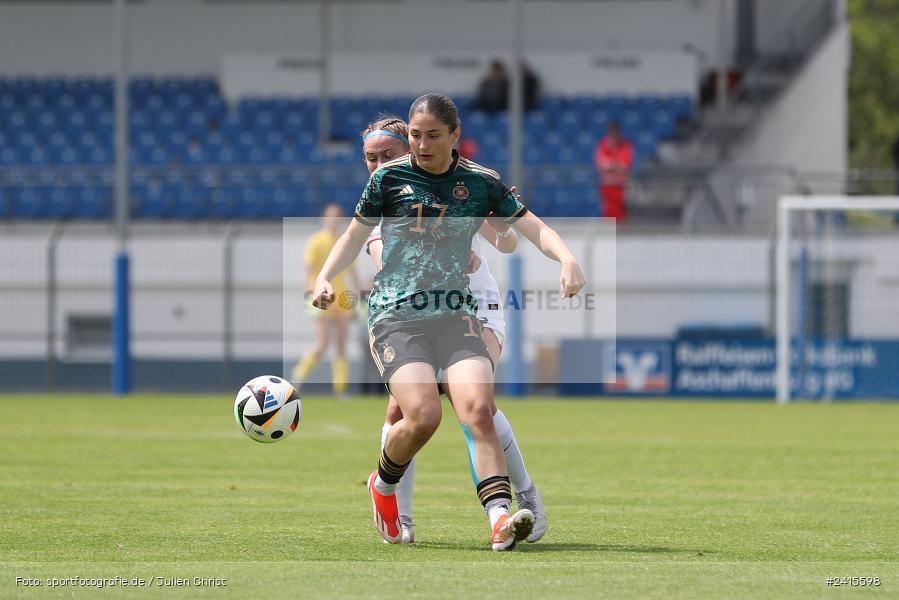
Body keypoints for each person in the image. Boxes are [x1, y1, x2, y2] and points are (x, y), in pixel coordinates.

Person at [311, 93, 585, 551]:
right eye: (414, 137)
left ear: (455, 137)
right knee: (420, 415)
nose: (419, 146)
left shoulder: (474, 182)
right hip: (400, 316)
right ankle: (388, 492)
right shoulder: (388, 186)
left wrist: (565, 256)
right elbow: (362, 240)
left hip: (467, 309)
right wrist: (324, 277)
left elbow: (520, 234)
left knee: (476, 407)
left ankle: (502, 516)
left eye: (428, 136)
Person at [360, 116, 548, 545]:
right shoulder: (379, 203)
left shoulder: (452, 185)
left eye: (388, 156)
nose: (378, 166)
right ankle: (399, 515)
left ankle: (525, 498)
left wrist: (501, 226)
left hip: (476, 308)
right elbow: (382, 258)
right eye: (371, 159)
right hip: (413, 310)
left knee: (477, 407)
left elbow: (506, 242)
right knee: (402, 414)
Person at [291, 203, 359, 396]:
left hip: (342, 297)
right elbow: (309, 270)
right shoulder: (316, 241)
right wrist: (309, 294)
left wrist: (360, 294)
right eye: (330, 216)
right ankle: (299, 375)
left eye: (337, 217)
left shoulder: (344, 241)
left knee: (342, 344)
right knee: (323, 343)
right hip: (322, 296)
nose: (334, 220)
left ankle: (340, 389)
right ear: (324, 218)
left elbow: (352, 272)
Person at [594, 121, 634, 221]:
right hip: (606, 185)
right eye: (611, 133)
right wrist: (614, 164)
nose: (613, 136)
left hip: (620, 186)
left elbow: (624, 166)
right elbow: (601, 164)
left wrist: (611, 164)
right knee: (608, 214)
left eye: (615, 133)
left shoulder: (625, 146)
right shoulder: (603, 145)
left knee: (620, 215)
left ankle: (621, 234)